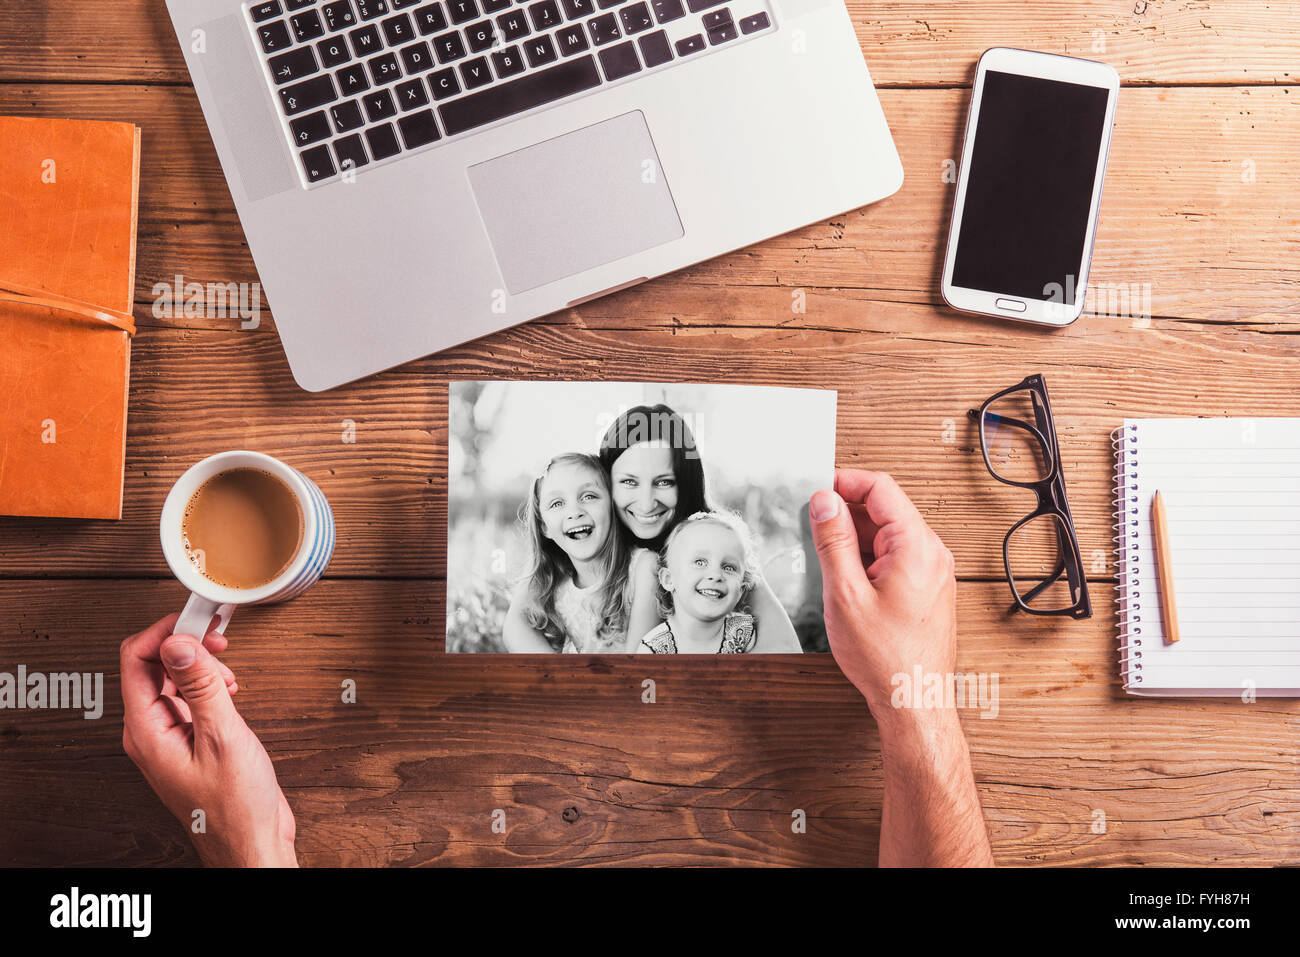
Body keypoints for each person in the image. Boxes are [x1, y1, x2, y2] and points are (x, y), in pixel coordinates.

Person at [121, 468, 991, 867]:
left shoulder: (667, 594)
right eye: (562, 502)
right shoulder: (546, 601)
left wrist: (250, 846)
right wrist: (916, 699)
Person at [599, 404, 802, 650]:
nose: (646, 503)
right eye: (629, 481)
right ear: (607, 484)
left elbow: (784, 650)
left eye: (664, 482)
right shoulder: (594, 550)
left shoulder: (719, 543)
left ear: (686, 483)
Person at [501, 453, 633, 653]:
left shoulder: (640, 569)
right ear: (544, 527)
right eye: (557, 503)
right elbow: (514, 627)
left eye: (589, 496)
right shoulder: (555, 591)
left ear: (612, 506)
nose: (574, 511)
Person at [638, 510, 766, 654]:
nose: (716, 575)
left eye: (728, 567)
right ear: (668, 579)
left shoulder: (744, 633)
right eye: (700, 562)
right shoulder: (654, 648)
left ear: (740, 590)